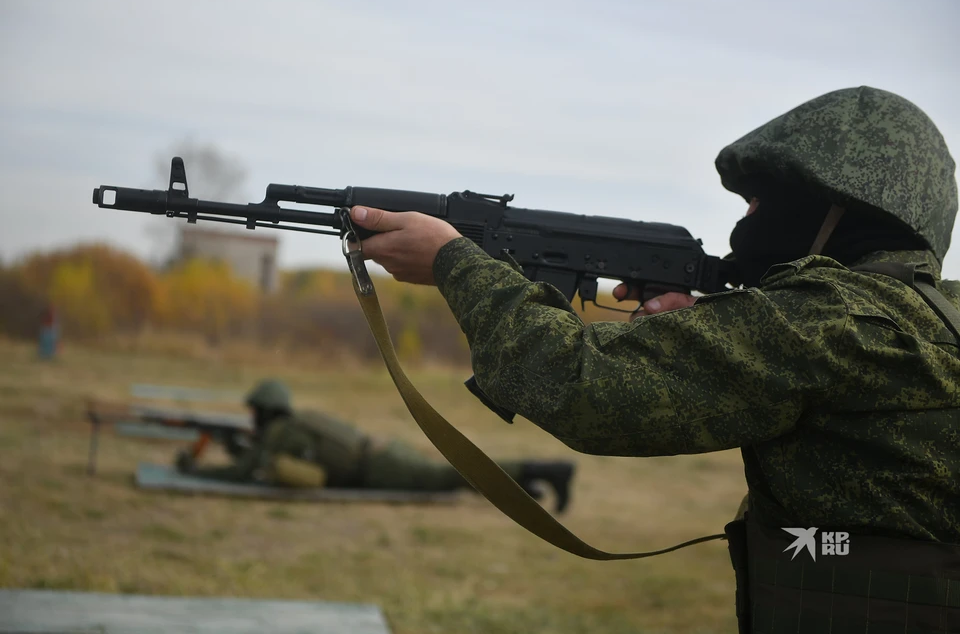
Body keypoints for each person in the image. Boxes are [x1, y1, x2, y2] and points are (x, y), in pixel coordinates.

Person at [347, 86, 960, 632]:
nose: (746, 221)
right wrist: (718, 327)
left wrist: (456, 263)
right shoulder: (932, 314)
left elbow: (581, 388)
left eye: (761, 202)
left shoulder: (821, 318)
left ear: (838, 208)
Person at [175, 379, 577, 513]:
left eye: (255, 413)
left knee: (453, 476)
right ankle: (530, 482)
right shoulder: (296, 422)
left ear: (264, 411)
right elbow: (259, 462)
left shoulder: (282, 433)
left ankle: (541, 471)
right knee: (453, 475)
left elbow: (246, 474)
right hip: (382, 452)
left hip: (380, 467)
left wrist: (198, 471)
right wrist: (235, 447)